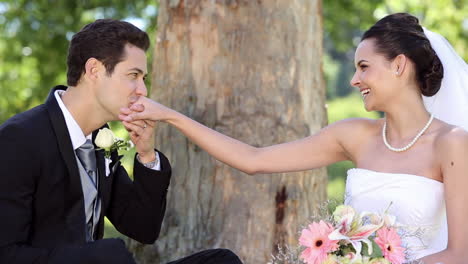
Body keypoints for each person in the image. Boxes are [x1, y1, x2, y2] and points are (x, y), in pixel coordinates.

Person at [119, 13, 468, 263]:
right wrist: (169, 115)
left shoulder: (451, 143)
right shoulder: (353, 135)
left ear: (399, 65)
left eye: (364, 67)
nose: (354, 80)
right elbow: (254, 160)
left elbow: (460, 254)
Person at [0, 19, 242, 264]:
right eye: (133, 75)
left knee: (221, 261)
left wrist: (147, 156)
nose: (142, 91)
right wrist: (101, 258)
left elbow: (143, 228)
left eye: (143, 79)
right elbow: (5, 253)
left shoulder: (100, 140)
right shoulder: (18, 139)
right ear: (94, 70)